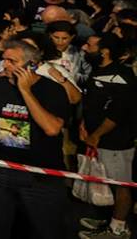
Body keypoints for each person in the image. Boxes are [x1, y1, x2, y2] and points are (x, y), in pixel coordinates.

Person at [0, 39, 71, 239]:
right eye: (4, 60)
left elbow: (52, 128)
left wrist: (25, 90)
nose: (5, 65)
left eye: (13, 61)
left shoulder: (52, 90)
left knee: (45, 230)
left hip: (39, 175)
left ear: (31, 65)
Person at [78, 34, 136, 239]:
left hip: (116, 142)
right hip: (96, 138)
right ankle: (108, 219)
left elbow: (117, 113)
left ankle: (118, 228)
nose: (85, 48)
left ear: (105, 51)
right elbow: (93, 103)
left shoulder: (122, 77)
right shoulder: (98, 71)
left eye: (90, 45)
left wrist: (96, 134)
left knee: (120, 184)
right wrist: (85, 124)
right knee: (106, 182)